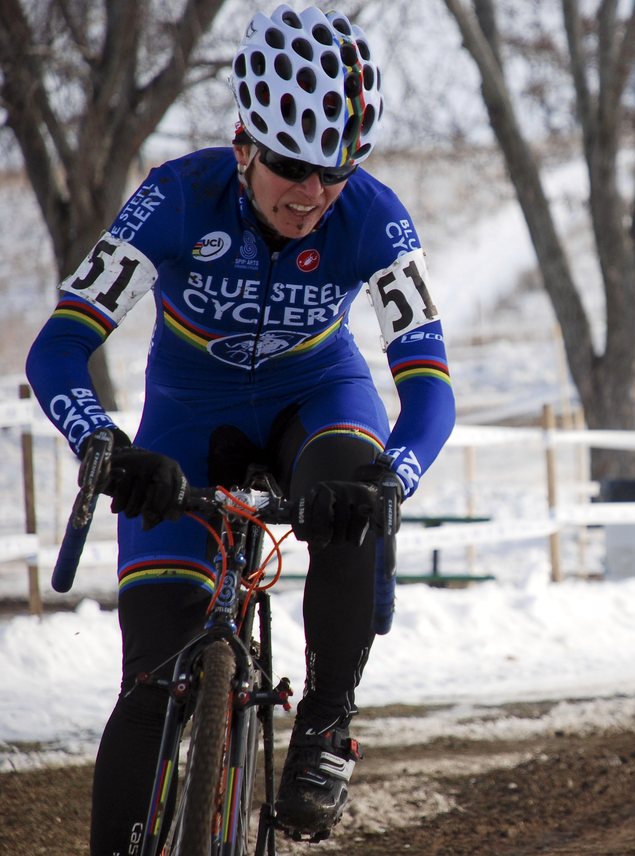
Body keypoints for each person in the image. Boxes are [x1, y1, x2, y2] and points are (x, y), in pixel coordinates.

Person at [24, 5, 455, 850]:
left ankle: (326, 724)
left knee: (350, 482)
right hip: (189, 413)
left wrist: (390, 480)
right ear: (245, 142)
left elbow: (431, 392)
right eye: (293, 167)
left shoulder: (373, 216)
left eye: (335, 171)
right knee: (151, 683)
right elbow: (58, 349)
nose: (313, 195)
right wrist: (103, 444)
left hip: (316, 398)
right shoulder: (178, 197)